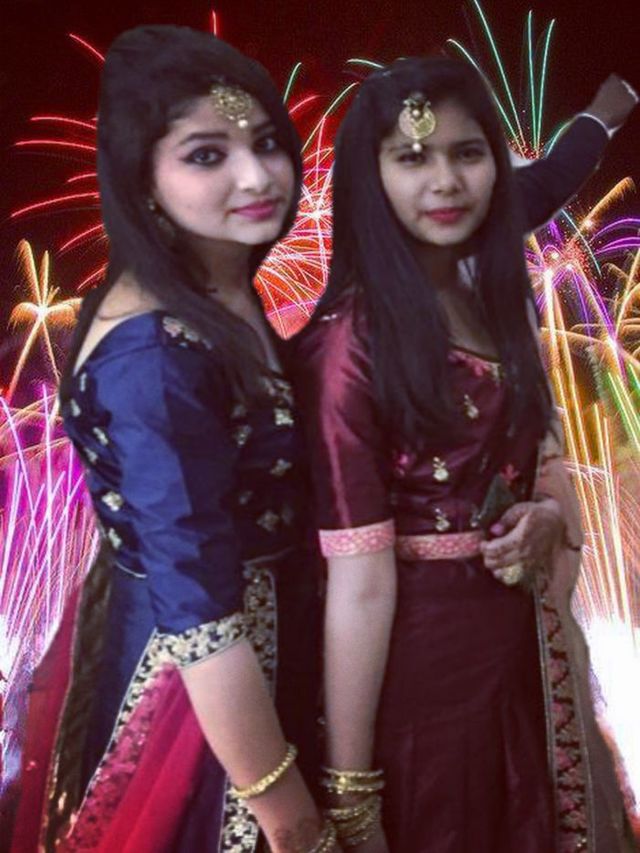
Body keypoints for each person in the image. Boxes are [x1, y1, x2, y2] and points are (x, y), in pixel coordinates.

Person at [293, 58, 637, 852]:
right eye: (412, 157)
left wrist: (548, 514)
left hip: (525, 665)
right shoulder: (353, 345)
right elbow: (358, 584)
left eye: (467, 153)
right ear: (370, 176)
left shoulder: (489, 304)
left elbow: (540, 457)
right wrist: (352, 793)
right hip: (425, 691)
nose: (445, 181)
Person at [11, 25, 337, 853]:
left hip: (258, 652)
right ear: (143, 181)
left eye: (267, 143)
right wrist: (291, 819)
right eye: (206, 155)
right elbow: (201, 616)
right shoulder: (155, 355)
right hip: (205, 702)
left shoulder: (218, 280)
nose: (256, 176)